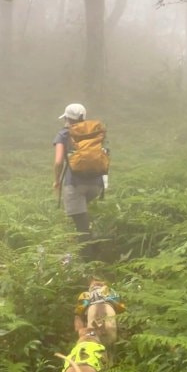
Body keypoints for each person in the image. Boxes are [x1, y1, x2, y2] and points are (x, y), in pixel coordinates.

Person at [53, 103, 106, 260]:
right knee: (83, 221)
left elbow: (58, 162)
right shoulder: (94, 131)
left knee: (81, 228)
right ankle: (97, 242)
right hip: (96, 184)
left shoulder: (63, 134)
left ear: (67, 118)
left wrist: (56, 181)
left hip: (75, 185)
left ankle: (88, 264)